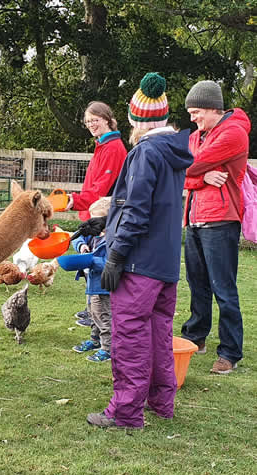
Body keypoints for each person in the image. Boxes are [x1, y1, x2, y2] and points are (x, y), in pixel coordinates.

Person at [85, 72, 193, 429]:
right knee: (158, 333)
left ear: (135, 119)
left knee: (129, 333)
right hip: (164, 263)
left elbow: (137, 209)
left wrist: (116, 254)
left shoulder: (145, 152)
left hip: (139, 262)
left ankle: (125, 411)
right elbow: (151, 205)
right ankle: (162, 402)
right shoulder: (173, 151)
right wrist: (104, 223)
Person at [180, 81, 251, 375]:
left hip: (221, 218)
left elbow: (186, 162)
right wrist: (202, 178)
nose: (192, 118)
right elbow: (183, 171)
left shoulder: (233, 133)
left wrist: (194, 171)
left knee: (223, 287)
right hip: (194, 217)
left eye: (196, 112)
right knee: (197, 283)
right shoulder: (199, 134)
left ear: (213, 108)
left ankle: (231, 351)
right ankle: (197, 335)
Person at [65, 101, 127, 325]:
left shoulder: (113, 148)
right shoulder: (102, 145)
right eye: (88, 121)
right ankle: (92, 309)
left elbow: (101, 189)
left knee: (99, 263)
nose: (91, 124)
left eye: (95, 119)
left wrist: (75, 201)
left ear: (108, 120)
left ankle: (99, 315)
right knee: (91, 261)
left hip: (103, 216)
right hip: (93, 213)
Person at [71, 197, 112, 362]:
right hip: (91, 283)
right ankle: (95, 340)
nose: (93, 222)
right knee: (92, 313)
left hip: (104, 285)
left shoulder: (112, 240)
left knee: (104, 316)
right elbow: (77, 239)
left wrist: (90, 260)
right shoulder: (93, 235)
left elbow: (110, 264)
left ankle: (107, 348)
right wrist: (81, 246)